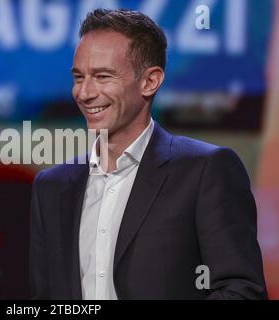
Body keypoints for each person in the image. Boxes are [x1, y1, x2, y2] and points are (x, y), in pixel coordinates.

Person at [29, 8, 268, 300]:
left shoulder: (205, 171)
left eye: (103, 76)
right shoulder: (51, 187)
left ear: (150, 82)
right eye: (79, 77)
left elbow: (242, 291)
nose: (84, 92)